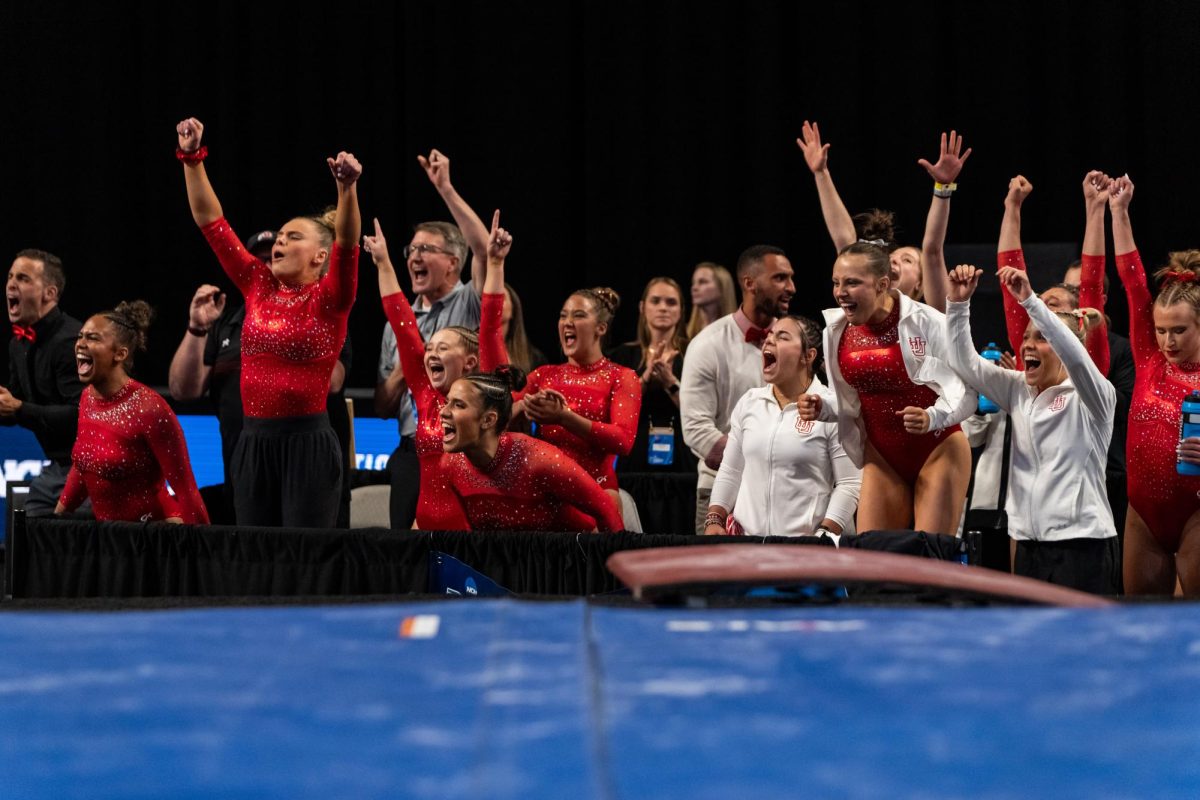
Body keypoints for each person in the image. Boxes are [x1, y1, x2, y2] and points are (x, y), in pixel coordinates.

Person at [176, 117, 359, 528]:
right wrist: (192, 159)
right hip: (252, 442)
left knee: (303, 558)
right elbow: (212, 224)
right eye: (279, 236)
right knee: (255, 555)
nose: (279, 241)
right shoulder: (257, 285)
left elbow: (347, 242)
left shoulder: (330, 299)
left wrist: (346, 190)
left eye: (293, 237)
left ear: (319, 257)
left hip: (308, 446)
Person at [946, 264, 1118, 593]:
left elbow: (1077, 359)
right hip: (1027, 544)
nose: (1028, 345)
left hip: (1082, 544)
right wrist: (957, 305)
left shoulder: (1094, 396)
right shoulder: (1017, 390)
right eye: (1026, 337)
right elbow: (963, 363)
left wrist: (1030, 301)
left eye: (1041, 338)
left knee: (1082, 643)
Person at [168, 233, 355, 526]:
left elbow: (331, 383)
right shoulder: (226, 321)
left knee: (305, 556)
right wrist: (197, 328)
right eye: (261, 259)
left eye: (277, 255)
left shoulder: (323, 313)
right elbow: (184, 390)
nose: (269, 264)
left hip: (307, 463)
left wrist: (287, 332)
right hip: (247, 462)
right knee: (254, 559)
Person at [799, 228, 975, 536]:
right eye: (836, 283)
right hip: (882, 457)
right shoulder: (836, 331)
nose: (841, 292)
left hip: (938, 448)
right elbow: (849, 400)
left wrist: (933, 417)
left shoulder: (927, 322)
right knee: (873, 563)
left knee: (928, 559)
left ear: (882, 284)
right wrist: (823, 406)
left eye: (852, 283)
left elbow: (966, 392)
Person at [998, 172, 1135, 542]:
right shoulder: (1031, 344)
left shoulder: (1090, 347)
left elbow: (1091, 284)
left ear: (1079, 318)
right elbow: (1009, 277)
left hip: (1092, 488)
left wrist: (1095, 209)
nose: (1040, 309)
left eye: (1053, 306)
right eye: (1039, 305)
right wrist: (1012, 208)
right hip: (1033, 503)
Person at [364, 212, 511, 530]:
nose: (430, 351)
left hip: (477, 522)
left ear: (470, 362)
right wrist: (383, 262)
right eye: (429, 348)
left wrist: (496, 264)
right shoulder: (425, 395)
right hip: (425, 523)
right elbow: (402, 323)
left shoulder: (487, 390)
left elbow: (491, 322)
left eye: (442, 347)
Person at [375, 149, 494, 530]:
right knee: (405, 555)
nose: (414, 257)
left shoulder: (469, 302)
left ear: (453, 263)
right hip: (412, 451)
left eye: (426, 249)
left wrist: (445, 188)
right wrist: (410, 367)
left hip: (464, 449)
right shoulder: (397, 326)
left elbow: (484, 250)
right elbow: (381, 406)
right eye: (411, 250)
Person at [1107, 175, 1200, 595]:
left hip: (1195, 512)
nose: (1167, 340)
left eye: (1179, 330)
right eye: (1161, 330)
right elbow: (1132, 282)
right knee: (1140, 629)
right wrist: (1119, 211)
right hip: (1142, 515)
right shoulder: (1149, 359)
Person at [705, 315, 860, 537]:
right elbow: (731, 471)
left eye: (782, 336)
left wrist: (824, 535)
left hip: (804, 550)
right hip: (748, 546)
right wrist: (714, 518)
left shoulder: (831, 407)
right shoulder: (750, 402)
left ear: (808, 355)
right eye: (769, 335)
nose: (769, 340)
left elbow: (849, 483)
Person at [55, 301, 208, 524]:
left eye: (93, 338)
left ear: (120, 354)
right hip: (111, 539)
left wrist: (205, 550)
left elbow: (186, 489)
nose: (80, 344)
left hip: (154, 535)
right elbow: (83, 465)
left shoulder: (150, 408)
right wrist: (57, 517)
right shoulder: (87, 397)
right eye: (80, 336)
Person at [797, 122, 972, 311]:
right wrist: (821, 172)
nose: (894, 260)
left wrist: (943, 188)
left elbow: (932, 250)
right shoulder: (856, 311)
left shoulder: (931, 315)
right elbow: (845, 244)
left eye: (907, 260)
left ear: (920, 284)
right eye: (892, 257)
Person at [681, 245, 795, 534]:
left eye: (791, 278)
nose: (791, 287)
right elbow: (696, 429)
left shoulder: (796, 343)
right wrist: (754, 463)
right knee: (719, 580)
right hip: (722, 494)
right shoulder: (708, 344)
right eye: (780, 278)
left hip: (786, 494)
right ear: (750, 283)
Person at [439, 367, 623, 532]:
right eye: (447, 402)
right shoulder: (450, 465)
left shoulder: (538, 460)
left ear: (488, 420)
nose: (443, 412)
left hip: (569, 559)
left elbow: (606, 508)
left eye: (458, 405)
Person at [512, 286, 642, 504]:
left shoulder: (621, 377)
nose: (568, 322)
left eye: (579, 315)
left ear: (601, 328)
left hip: (596, 487)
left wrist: (565, 418)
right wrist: (525, 406)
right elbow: (497, 418)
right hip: (546, 489)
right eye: (563, 316)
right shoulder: (544, 375)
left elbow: (623, 441)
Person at [1, 249, 86, 516]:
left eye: (24, 278)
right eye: (10, 276)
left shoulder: (72, 342)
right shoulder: (17, 344)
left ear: (49, 293)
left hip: (92, 467)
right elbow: (17, 407)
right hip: (56, 466)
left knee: (73, 530)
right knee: (26, 526)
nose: (11, 284)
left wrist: (19, 408)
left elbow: (81, 414)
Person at [609, 277, 696, 473]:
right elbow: (615, 411)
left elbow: (699, 413)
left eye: (671, 302)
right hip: (633, 461)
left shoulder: (695, 353)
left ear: (681, 310)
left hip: (683, 462)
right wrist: (646, 379)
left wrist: (670, 382)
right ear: (642, 307)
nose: (663, 308)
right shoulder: (622, 355)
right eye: (655, 301)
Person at [500, 283, 547, 373]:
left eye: (501, 298)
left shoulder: (535, 358)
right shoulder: (472, 351)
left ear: (513, 309)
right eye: (490, 298)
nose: (494, 303)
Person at [686, 262, 737, 339]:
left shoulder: (736, 332)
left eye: (702, 282)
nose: (694, 288)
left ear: (722, 288)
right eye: (693, 283)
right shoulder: (685, 333)